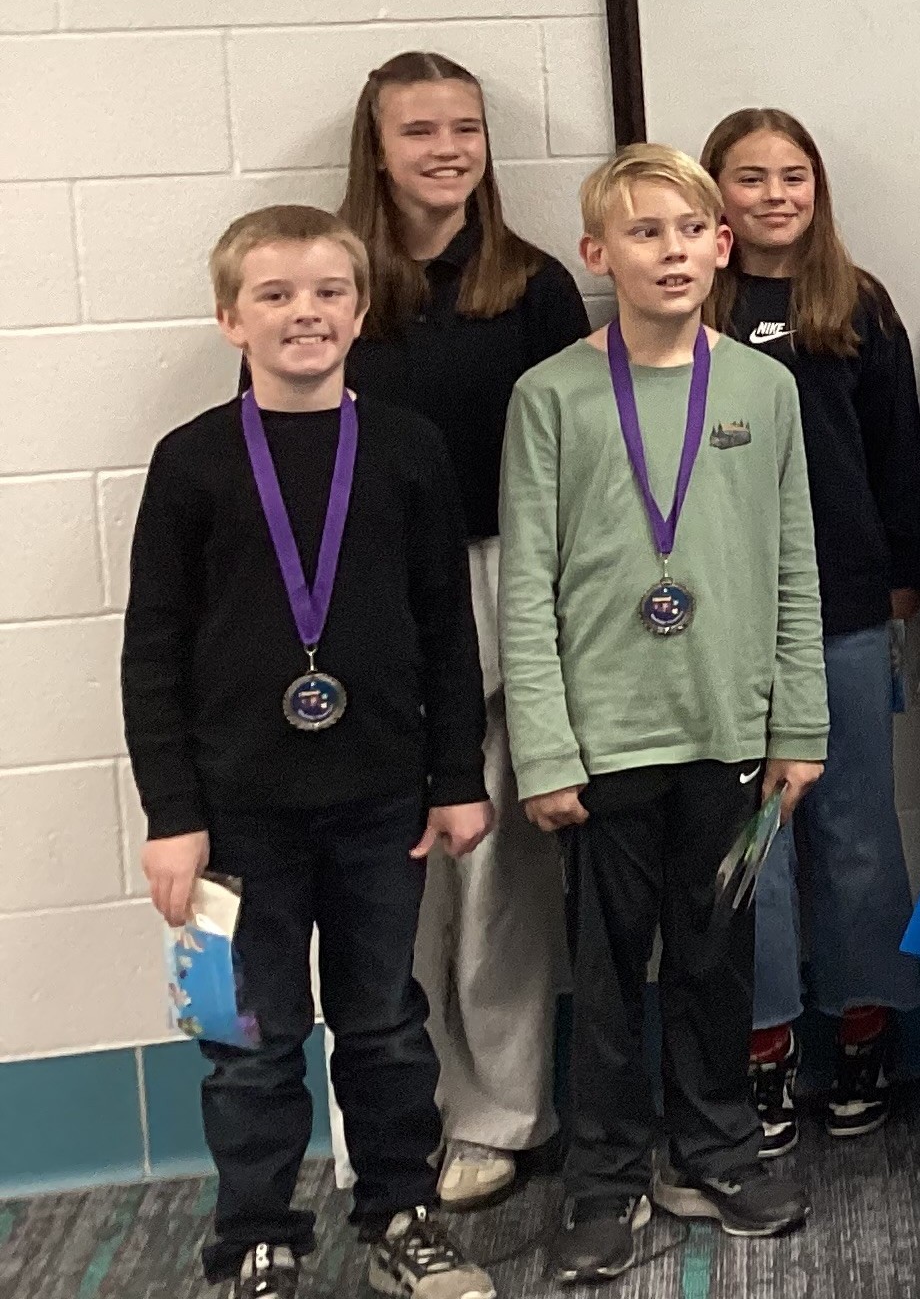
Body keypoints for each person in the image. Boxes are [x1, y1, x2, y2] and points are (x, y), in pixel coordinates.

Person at [125, 205, 498, 1299]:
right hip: (236, 816)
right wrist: (170, 814)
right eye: (277, 294)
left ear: (361, 308)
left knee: (384, 1023)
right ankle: (254, 1234)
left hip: (384, 799)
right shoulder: (191, 461)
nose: (306, 313)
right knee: (248, 1038)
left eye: (329, 291)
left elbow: (446, 625)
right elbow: (153, 651)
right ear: (229, 315)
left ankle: (400, 1213)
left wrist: (455, 775)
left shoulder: (406, 446)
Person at [498, 147, 822, 1279]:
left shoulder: (762, 390)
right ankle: (603, 1174)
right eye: (643, 232)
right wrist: (543, 747)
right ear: (598, 255)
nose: (672, 249)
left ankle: (717, 1145)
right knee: (605, 962)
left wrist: (799, 726)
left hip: (728, 734)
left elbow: (794, 567)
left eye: (691, 229)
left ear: (722, 244)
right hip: (603, 741)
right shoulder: (549, 396)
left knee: (716, 952)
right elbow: (526, 588)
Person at [335, 50, 585, 1211]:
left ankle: (498, 1112)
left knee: (495, 864)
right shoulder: (333, 281)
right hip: (361, 597)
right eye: (420, 130)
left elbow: (571, 459)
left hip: (502, 579)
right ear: (375, 150)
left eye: (466, 128)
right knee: (386, 867)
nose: (447, 148)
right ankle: (392, 1111)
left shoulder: (529, 284)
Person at [700, 111, 920, 1158]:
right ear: (717, 195)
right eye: (750, 178)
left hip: (843, 606)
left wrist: (903, 573)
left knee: (855, 829)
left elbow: (895, 450)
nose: (775, 195)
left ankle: (865, 1023)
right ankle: (764, 1041)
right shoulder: (689, 301)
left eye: (794, 176)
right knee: (755, 837)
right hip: (725, 616)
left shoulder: (857, 301)